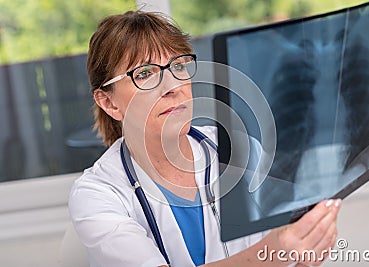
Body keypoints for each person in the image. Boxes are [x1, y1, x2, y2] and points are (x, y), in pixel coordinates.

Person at [68, 10, 341, 267]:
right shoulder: (97, 195)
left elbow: (287, 246)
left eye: (178, 65)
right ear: (108, 102)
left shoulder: (239, 149)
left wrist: (304, 251)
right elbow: (274, 251)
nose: (173, 86)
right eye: (145, 74)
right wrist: (274, 254)